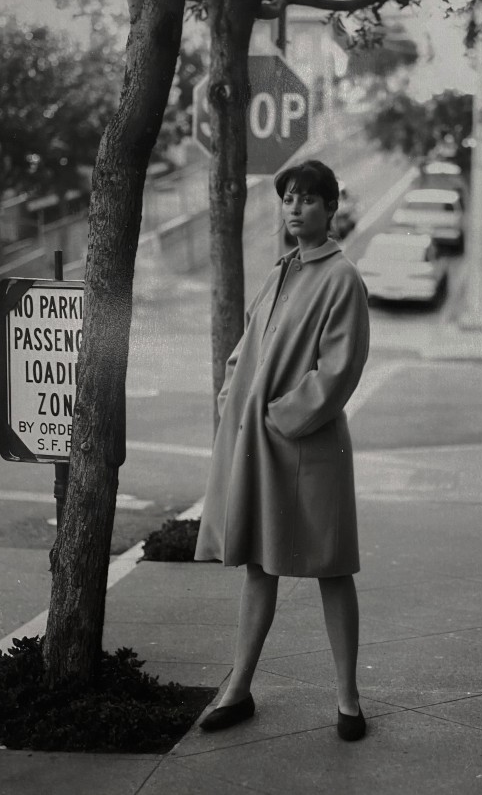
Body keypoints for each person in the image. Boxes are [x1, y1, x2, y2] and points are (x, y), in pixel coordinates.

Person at [194, 159, 370, 742]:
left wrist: (280, 417)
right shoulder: (279, 272)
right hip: (261, 446)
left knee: (332, 568)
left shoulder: (340, 277)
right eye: (288, 199)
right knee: (259, 566)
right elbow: (244, 348)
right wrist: (231, 396)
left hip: (310, 448)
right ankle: (238, 688)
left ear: (330, 207)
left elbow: (339, 371)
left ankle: (347, 699)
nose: (295, 210)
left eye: (308, 200)